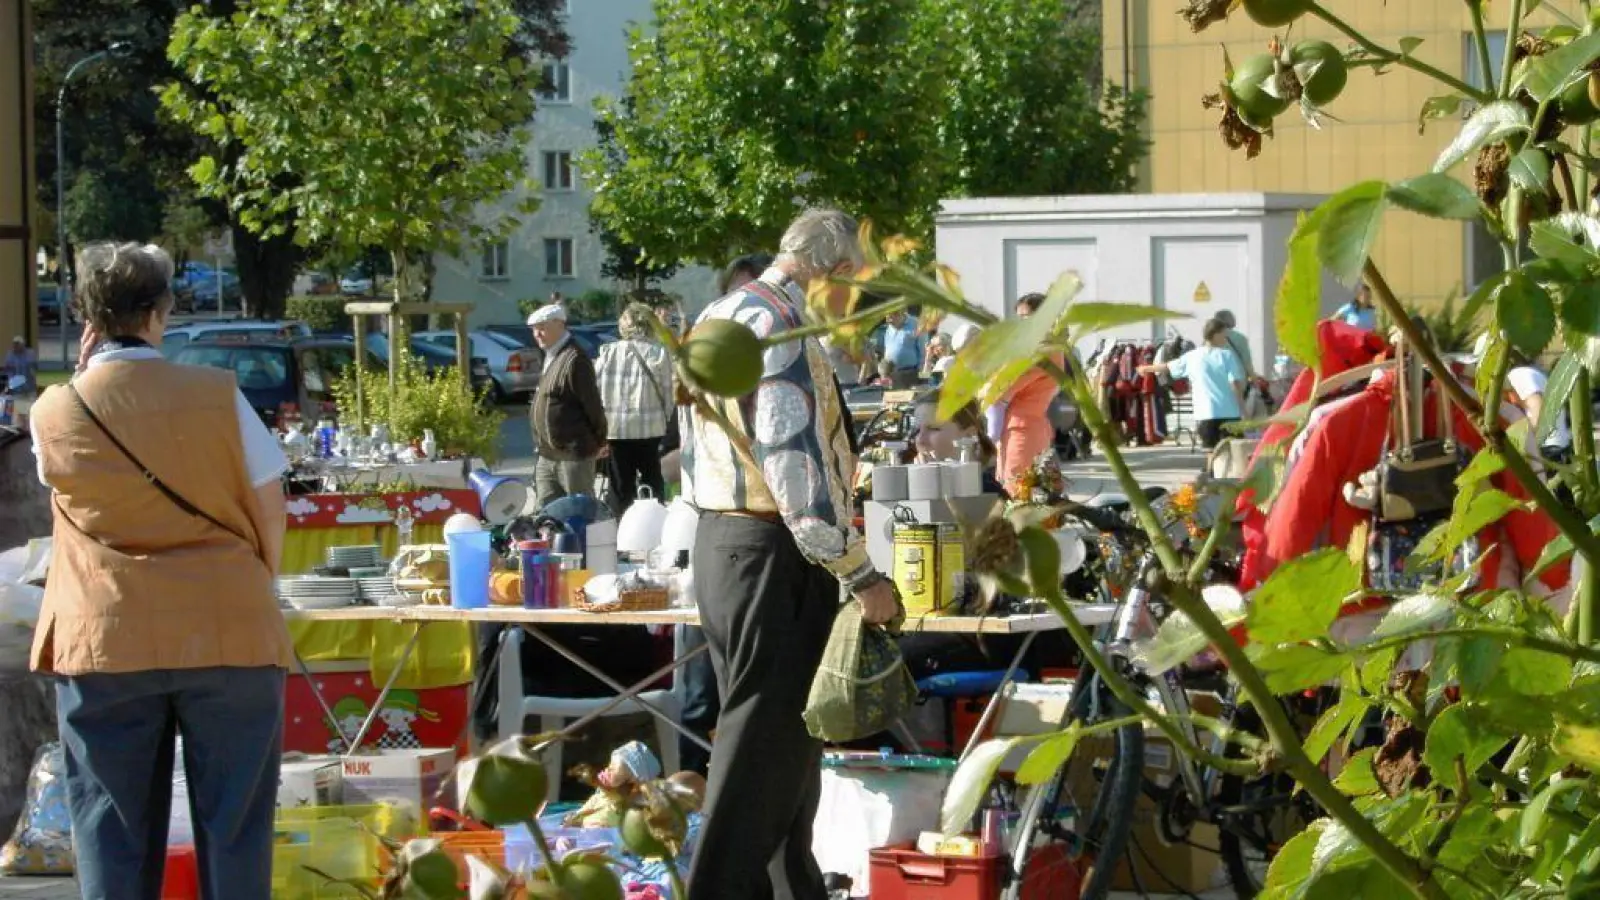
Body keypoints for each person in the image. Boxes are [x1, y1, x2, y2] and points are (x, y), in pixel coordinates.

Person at [27, 242, 292, 899]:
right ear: (161, 312)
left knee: (111, 831)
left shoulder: (54, 411)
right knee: (235, 828)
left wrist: (86, 379)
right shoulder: (216, 394)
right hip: (227, 624)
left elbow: (64, 489)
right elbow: (271, 506)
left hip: (104, 633)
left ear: (86, 316)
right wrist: (254, 581)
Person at [681, 207, 899, 899]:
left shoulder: (726, 308)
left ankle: (790, 887)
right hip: (770, 547)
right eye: (855, 286)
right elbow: (793, 464)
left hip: (728, 542)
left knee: (784, 751)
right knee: (763, 754)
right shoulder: (779, 325)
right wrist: (861, 574)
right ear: (834, 272)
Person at [596, 303, 675, 511]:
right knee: (652, 480)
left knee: (620, 485)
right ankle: (654, 524)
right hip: (651, 429)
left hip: (616, 430)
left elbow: (596, 391)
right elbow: (669, 393)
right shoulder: (659, 353)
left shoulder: (607, 352)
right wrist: (665, 418)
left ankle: (622, 528)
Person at [528, 303, 607, 508]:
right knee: (545, 512)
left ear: (559, 325)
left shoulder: (575, 358)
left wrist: (600, 440)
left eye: (542, 327)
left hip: (573, 455)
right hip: (547, 454)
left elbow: (592, 405)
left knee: (579, 511)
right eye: (534, 329)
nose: (537, 334)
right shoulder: (551, 355)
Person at [1139, 317, 1246, 449]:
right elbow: (1235, 383)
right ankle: (1224, 470)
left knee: (1211, 450)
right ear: (1215, 334)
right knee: (1233, 450)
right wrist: (1243, 408)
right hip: (1230, 412)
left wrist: (1146, 368)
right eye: (1224, 335)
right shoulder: (1227, 355)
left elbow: (1168, 366)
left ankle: (1211, 470)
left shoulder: (1193, 356)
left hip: (1206, 412)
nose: (1226, 339)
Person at [1466, 333, 1573, 463]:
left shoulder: (1520, 375)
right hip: (1554, 450)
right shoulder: (1526, 374)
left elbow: (1539, 418)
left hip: (1548, 452)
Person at [994, 292, 1064, 491]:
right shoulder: (1045, 347)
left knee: (1018, 491)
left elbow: (1004, 387)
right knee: (1020, 489)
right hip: (1023, 424)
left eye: (1027, 318)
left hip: (1023, 427)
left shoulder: (1043, 350)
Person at [879, 308, 926, 388]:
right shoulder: (889, 328)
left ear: (898, 314)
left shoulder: (916, 324)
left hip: (911, 374)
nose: (888, 322)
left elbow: (923, 351)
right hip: (892, 374)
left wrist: (921, 376)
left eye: (890, 318)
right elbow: (887, 350)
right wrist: (884, 373)